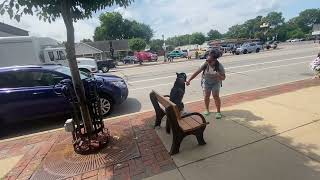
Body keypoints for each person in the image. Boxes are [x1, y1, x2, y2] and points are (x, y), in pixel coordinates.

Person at [186, 49, 226, 119]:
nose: (208, 62)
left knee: (215, 96)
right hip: (206, 81)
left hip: (216, 82)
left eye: (210, 61)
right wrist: (189, 80)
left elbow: (223, 78)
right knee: (206, 96)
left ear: (215, 60)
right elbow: (197, 72)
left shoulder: (219, 66)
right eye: (207, 60)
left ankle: (218, 112)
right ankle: (207, 110)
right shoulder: (205, 64)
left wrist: (218, 75)